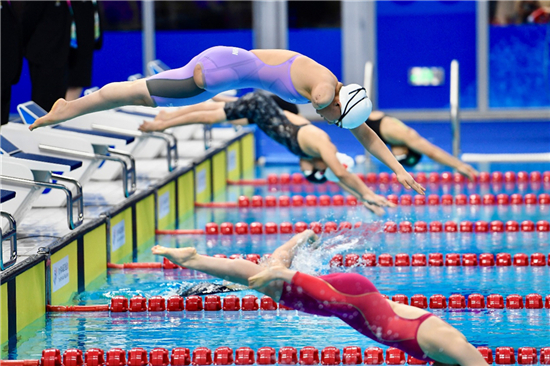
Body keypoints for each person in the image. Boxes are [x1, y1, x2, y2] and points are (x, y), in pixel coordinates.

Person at [27, 45, 424, 195]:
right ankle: (69, 108)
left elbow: (367, 135)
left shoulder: (334, 93)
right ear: (339, 104)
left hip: (223, 67)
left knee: (141, 94)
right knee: (143, 94)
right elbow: (337, 111)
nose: (326, 120)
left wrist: (397, 170)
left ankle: (69, 108)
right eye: (335, 120)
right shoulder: (323, 89)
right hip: (223, 70)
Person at [152, 231, 487, 366]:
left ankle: (295, 243)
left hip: (352, 304)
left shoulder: (445, 352)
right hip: (350, 298)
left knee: (270, 278)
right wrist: (291, 277)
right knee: (274, 280)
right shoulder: (455, 348)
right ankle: (194, 260)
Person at [139, 91, 395, 215]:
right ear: (322, 164)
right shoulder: (321, 143)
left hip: (263, 117)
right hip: (263, 107)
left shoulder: (312, 155)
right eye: (312, 172)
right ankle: (163, 121)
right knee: (210, 115)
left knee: (215, 108)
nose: (303, 170)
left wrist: (364, 202)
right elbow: (341, 174)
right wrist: (369, 193)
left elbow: (337, 180)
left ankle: (170, 115)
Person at [366, 111, 479, 180]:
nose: (395, 155)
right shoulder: (404, 135)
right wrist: (458, 165)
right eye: (400, 157)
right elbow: (432, 152)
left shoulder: (393, 137)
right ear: (406, 149)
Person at [65, 0, 103, 101]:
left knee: (78, 82)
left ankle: (66, 112)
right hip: (66, 45)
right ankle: (61, 113)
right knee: (65, 83)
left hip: (85, 43)